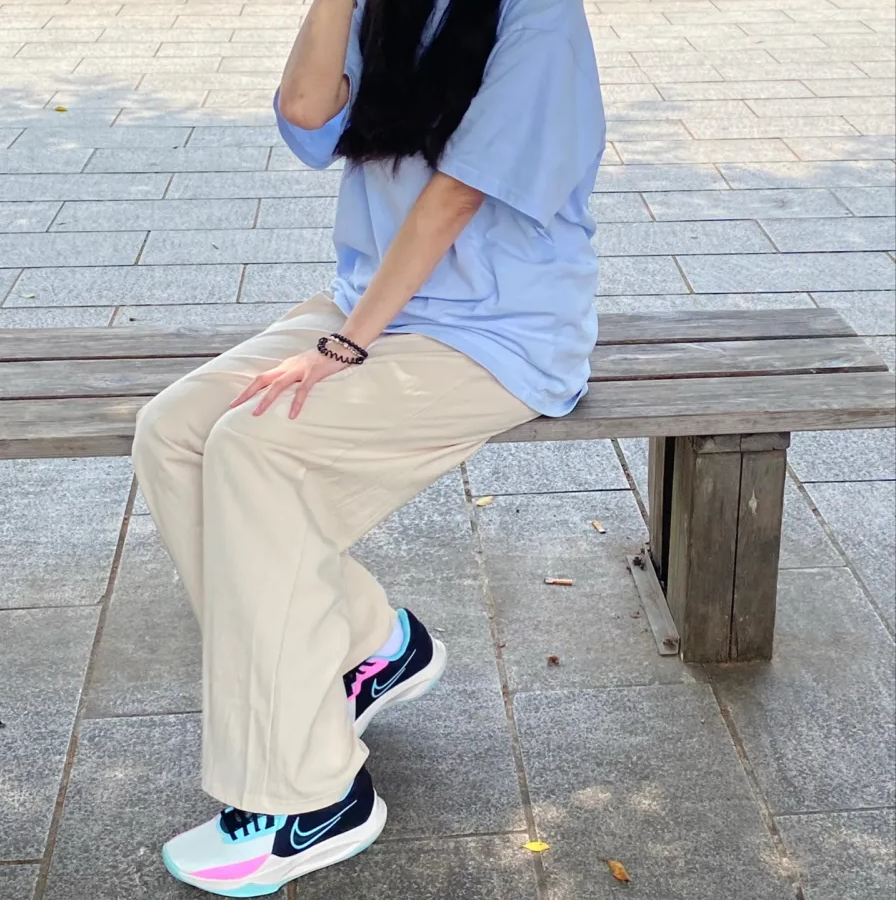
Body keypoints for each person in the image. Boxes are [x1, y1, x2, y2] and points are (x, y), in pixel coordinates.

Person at [132, 0, 605, 894]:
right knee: (175, 434)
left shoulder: (539, 15)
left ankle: (313, 795)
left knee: (258, 451)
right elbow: (308, 116)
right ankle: (368, 644)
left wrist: (346, 344)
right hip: (376, 301)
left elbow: (459, 193)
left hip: (499, 330)